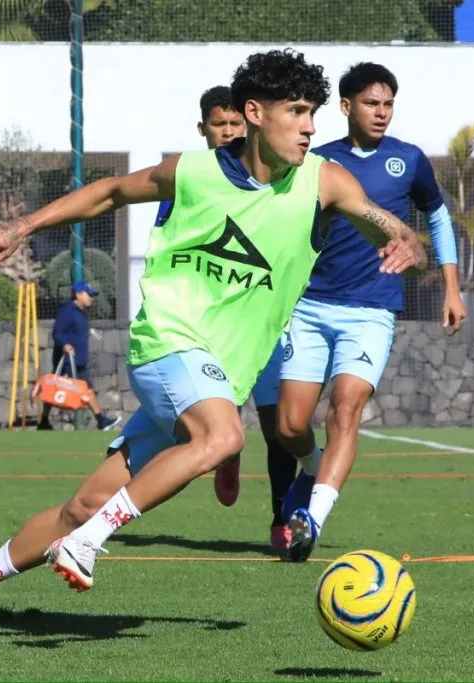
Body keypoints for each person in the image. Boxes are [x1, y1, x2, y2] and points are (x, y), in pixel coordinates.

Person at [0, 48, 426, 641]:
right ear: (255, 113)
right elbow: (109, 192)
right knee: (224, 436)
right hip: (167, 343)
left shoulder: (324, 182)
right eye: (296, 112)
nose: (309, 127)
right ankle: (89, 542)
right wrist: (19, 227)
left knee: (80, 506)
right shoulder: (193, 172)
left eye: (312, 113)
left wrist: (409, 243)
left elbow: (391, 229)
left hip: (214, 376)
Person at [275, 62, 467, 562]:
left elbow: (438, 218)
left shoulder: (409, 159)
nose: (381, 112)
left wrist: (451, 288)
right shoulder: (316, 162)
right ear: (346, 106)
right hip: (310, 307)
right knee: (289, 426)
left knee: (346, 407)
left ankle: (313, 518)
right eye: (371, 103)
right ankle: (313, 467)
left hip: (372, 310)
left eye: (388, 104)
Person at [156, 84, 297, 551]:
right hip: (206, 327)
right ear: (203, 129)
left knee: (279, 427)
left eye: (237, 123)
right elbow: (169, 251)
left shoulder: (276, 180)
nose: (230, 131)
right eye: (220, 124)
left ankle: (282, 518)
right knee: (215, 421)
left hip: (265, 328)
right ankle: (227, 454)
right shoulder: (188, 180)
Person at [37, 280, 121, 432]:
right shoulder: (67, 311)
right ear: (78, 294)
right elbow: (57, 332)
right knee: (73, 388)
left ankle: (44, 421)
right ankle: (101, 420)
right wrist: (65, 345)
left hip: (78, 360)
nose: (91, 298)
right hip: (68, 360)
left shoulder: (80, 312)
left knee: (76, 389)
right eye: (88, 295)